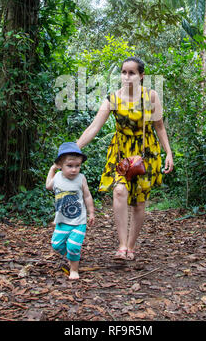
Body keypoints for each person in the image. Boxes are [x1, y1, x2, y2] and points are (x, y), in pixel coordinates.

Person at [77, 56, 173, 260]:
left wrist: (169, 153)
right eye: (123, 72)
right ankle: (121, 246)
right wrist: (73, 149)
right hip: (121, 153)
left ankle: (131, 246)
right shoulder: (113, 99)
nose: (127, 77)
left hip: (145, 153)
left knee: (138, 202)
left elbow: (160, 127)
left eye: (132, 73)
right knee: (119, 191)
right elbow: (94, 127)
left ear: (141, 76)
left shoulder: (151, 97)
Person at [46, 142, 95, 279]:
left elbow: (87, 195)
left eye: (77, 166)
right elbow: (48, 186)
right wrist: (52, 170)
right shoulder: (57, 178)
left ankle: (74, 270)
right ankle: (73, 256)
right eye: (69, 166)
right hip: (62, 221)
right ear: (60, 165)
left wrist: (91, 212)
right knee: (56, 245)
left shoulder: (81, 178)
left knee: (73, 246)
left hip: (79, 220)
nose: (74, 170)